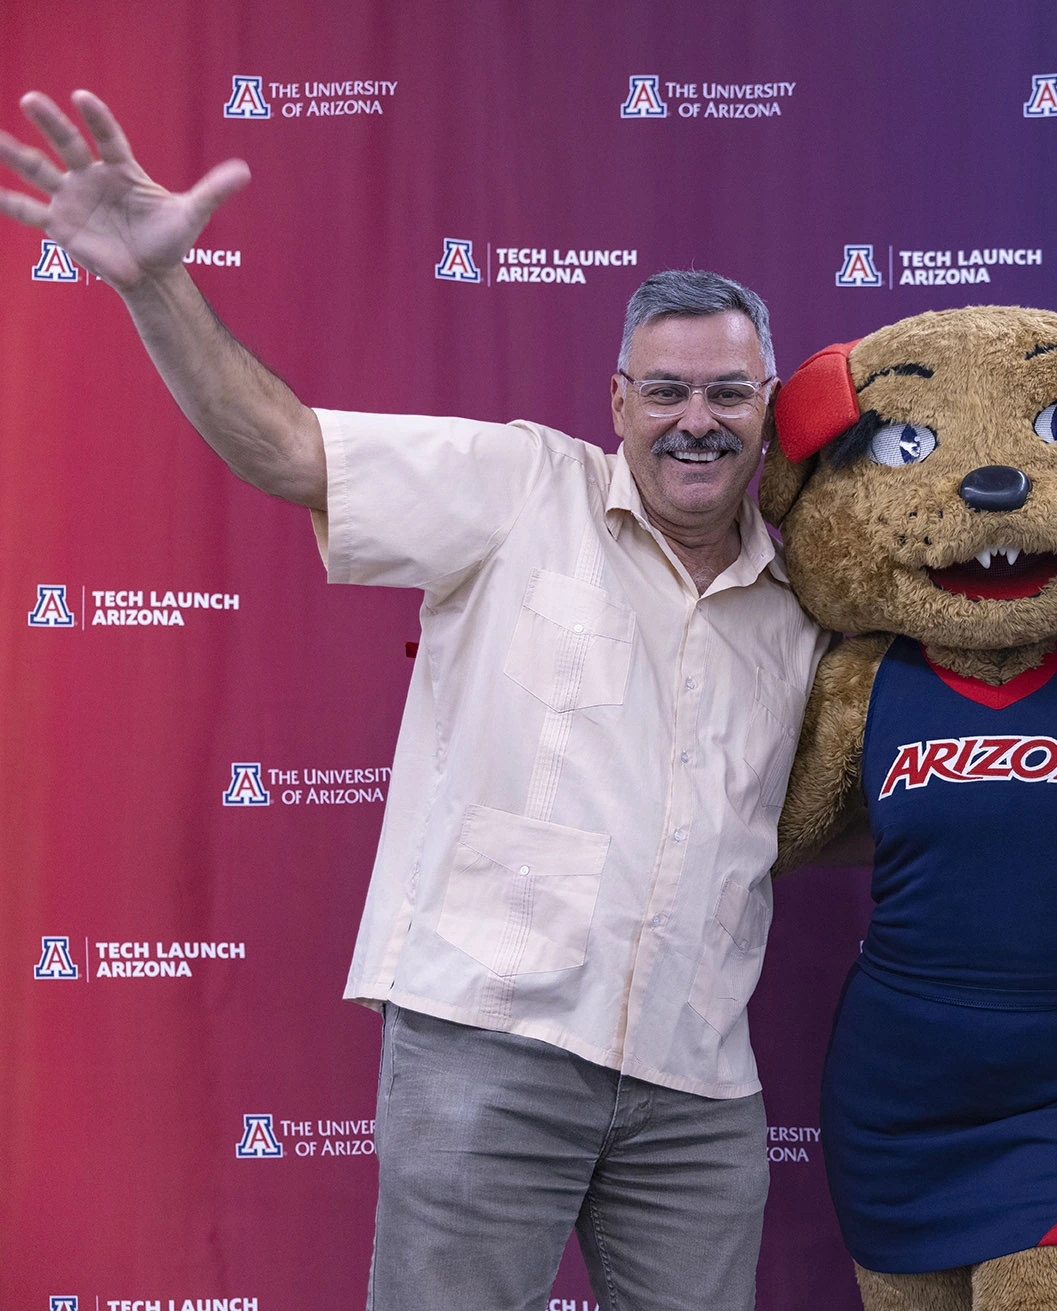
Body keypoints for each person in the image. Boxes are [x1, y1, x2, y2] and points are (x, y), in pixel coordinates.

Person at [1, 90, 825, 1310]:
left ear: (767, 409)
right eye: (665, 392)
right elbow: (285, 447)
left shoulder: (806, 600)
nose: (695, 422)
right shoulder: (514, 490)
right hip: (487, 1053)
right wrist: (152, 285)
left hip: (698, 1089)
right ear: (616, 404)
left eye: (727, 394)